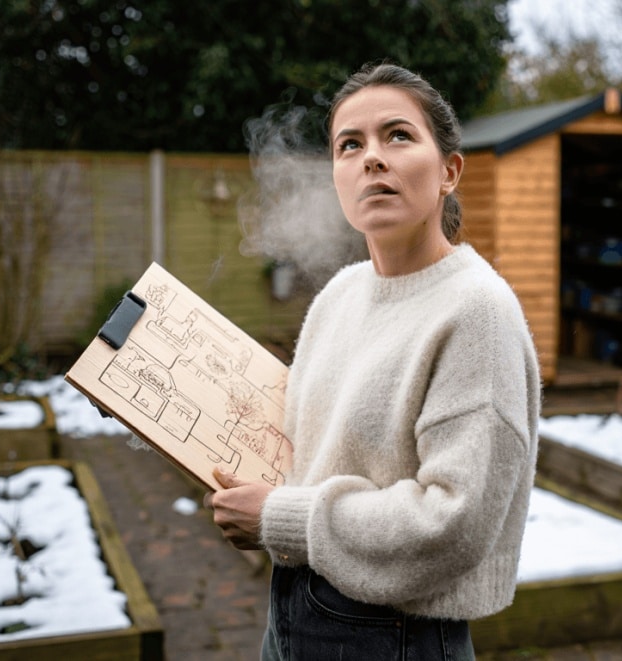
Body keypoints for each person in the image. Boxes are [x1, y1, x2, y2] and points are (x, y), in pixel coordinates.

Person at [205, 61, 541, 660]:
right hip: (291, 613)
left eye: (398, 136)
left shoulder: (476, 311)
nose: (372, 158)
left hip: (395, 637)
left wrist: (279, 519)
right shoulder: (340, 295)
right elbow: (301, 452)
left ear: (449, 171)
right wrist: (156, 412)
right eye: (349, 145)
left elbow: (452, 524)